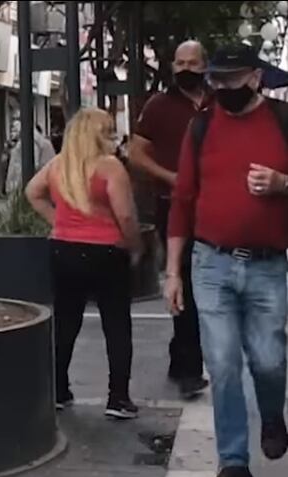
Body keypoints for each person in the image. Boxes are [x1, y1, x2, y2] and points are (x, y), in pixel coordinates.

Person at [165, 44, 288, 477]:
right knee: (222, 362)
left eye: (231, 81)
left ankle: (272, 414)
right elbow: (182, 201)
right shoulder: (200, 127)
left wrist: (281, 185)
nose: (221, 89)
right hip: (209, 264)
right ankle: (234, 461)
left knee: (269, 360)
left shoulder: (281, 121)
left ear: (255, 78)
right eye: (216, 80)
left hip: (268, 266)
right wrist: (172, 271)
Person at [25, 108, 143, 419]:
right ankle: (118, 397)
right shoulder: (110, 168)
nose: (114, 137)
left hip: (63, 250)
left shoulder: (59, 165)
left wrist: (58, 223)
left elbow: (32, 192)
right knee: (116, 324)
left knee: (66, 321)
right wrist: (135, 246)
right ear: (98, 134)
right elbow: (127, 215)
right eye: (109, 131)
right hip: (106, 252)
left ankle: (59, 390)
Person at [130, 40, 210, 398]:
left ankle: (184, 358)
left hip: (216, 205)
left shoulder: (220, 102)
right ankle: (189, 367)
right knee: (186, 284)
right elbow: (136, 152)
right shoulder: (160, 105)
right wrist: (171, 177)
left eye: (192, 62)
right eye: (179, 62)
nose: (185, 68)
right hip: (174, 204)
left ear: (205, 65)